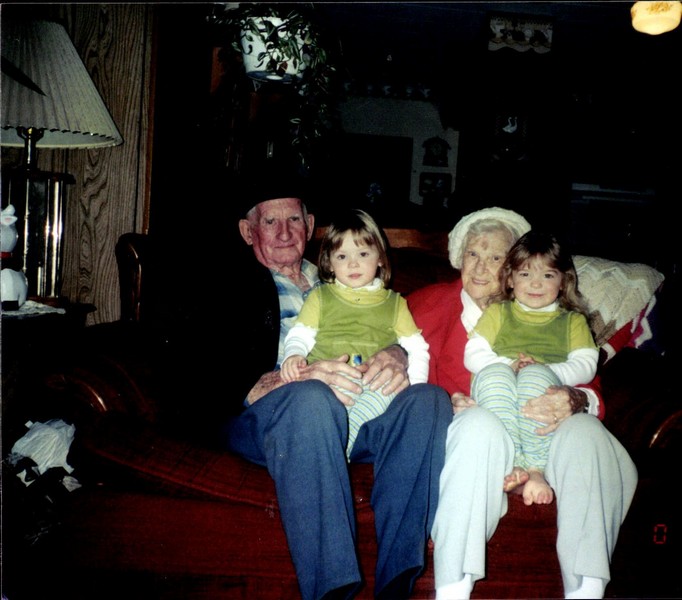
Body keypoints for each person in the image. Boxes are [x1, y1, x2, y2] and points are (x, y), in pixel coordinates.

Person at [224, 172, 452, 600]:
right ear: (247, 231)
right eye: (270, 222)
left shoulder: (345, 279)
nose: (285, 232)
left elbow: (401, 335)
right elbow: (196, 372)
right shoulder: (225, 285)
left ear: (311, 226)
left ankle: (398, 580)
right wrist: (291, 377)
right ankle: (333, 590)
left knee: (429, 400)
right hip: (275, 416)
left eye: (294, 219)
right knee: (312, 398)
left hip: (357, 408)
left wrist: (397, 354)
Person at [407, 207, 637, 600]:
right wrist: (442, 401)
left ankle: (585, 589)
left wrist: (575, 399)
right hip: (473, 435)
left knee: (586, 431)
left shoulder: (555, 317)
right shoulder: (426, 303)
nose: (481, 267)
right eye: (472, 254)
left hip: (544, 434)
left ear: (514, 267)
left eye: (495, 256)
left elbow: (591, 387)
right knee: (478, 426)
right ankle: (453, 588)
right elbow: (395, 366)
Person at [281, 208, 430, 459]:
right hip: (330, 379)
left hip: (373, 383)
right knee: (315, 398)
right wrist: (293, 355)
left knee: (388, 387)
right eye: (342, 256)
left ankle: (341, 449)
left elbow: (417, 349)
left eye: (363, 253)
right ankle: (336, 445)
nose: (353, 263)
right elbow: (301, 334)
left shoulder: (395, 303)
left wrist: (414, 391)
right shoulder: (320, 297)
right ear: (329, 263)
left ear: (380, 258)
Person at [464, 230, 599, 506]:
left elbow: (586, 365)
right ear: (510, 279)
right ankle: (511, 462)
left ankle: (537, 469)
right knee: (493, 374)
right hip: (499, 387)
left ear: (563, 281)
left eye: (548, 275)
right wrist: (511, 365)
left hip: (543, 386)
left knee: (535, 376)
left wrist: (547, 369)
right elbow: (473, 355)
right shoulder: (498, 312)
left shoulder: (572, 321)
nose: (536, 283)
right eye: (525, 274)